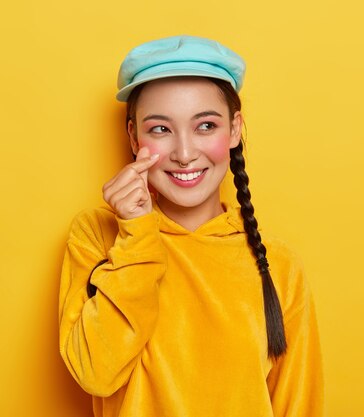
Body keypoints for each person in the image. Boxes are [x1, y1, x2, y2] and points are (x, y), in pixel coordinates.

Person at [58, 35, 324, 417]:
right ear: (134, 136)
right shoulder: (98, 236)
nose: (184, 154)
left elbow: (299, 404)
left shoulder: (278, 264)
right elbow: (95, 373)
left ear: (234, 130)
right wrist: (137, 233)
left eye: (205, 126)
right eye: (161, 129)